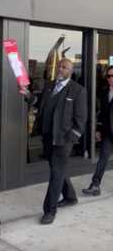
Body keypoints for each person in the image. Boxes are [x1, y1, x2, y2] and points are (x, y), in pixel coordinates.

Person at [21, 59, 87, 224]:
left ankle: (49, 210)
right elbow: (38, 103)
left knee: (56, 173)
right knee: (57, 169)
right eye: (59, 66)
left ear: (70, 71)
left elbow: (81, 119)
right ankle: (70, 197)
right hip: (48, 137)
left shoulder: (77, 90)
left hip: (63, 141)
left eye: (64, 67)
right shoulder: (49, 86)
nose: (60, 69)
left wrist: (71, 139)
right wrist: (28, 95)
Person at [82, 66, 113, 196]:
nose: (111, 79)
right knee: (103, 158)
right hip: (108, 132)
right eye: (109, 76)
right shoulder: (104, 91)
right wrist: (98, 129)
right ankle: (95, 185)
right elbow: (103, 114)